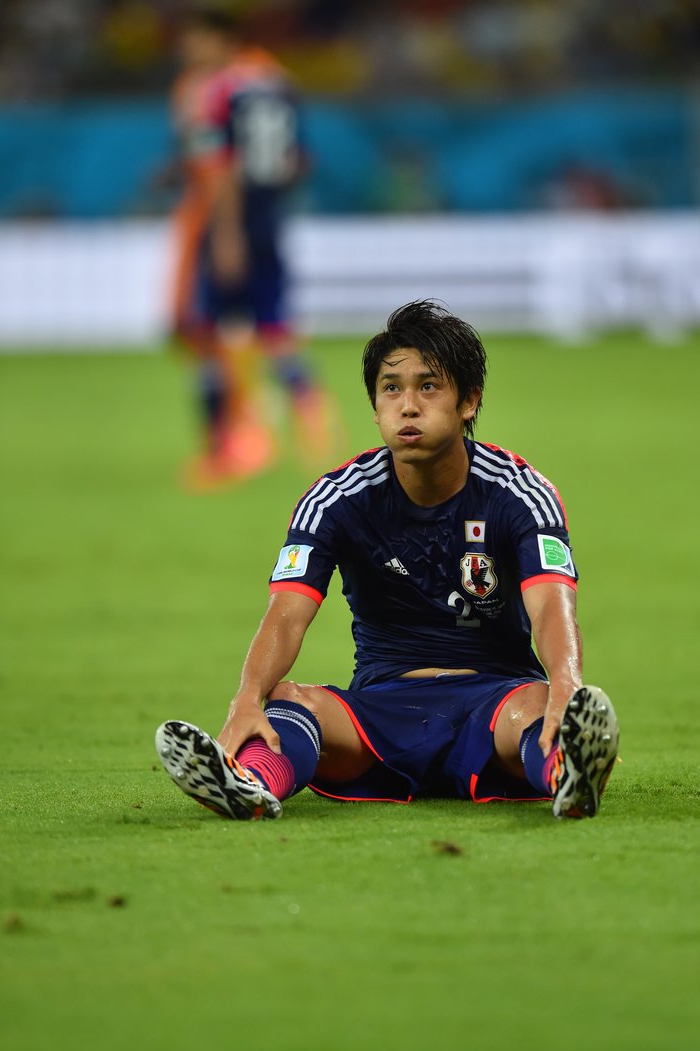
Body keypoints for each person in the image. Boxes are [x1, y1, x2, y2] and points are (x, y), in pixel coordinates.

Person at [156, 300, 619, 821]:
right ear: (375, 408)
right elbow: (285, 615)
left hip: (496, 702)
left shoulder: (518, 492)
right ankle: (248, 784)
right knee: (288, 700)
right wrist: (245, 699)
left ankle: (567, 771)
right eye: (391, 389)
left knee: (538, 707)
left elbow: (552, 608)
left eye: (428, 386)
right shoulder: (335, 498)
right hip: (379, 712)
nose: (408, 406)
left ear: (469, 401)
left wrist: (567, 688)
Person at [169, 7, 339, 489]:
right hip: (269, 223)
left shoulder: (217, 91)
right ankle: (313, 419)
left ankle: (220, 449)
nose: (189, 50)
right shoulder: (278, 83)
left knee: (205, 335)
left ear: (221, 40)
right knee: (275, 331)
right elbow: (298, 160)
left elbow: (217, 167)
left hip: (228, 226)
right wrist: (267, 206)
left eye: (196, 40)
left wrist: (226, 232)